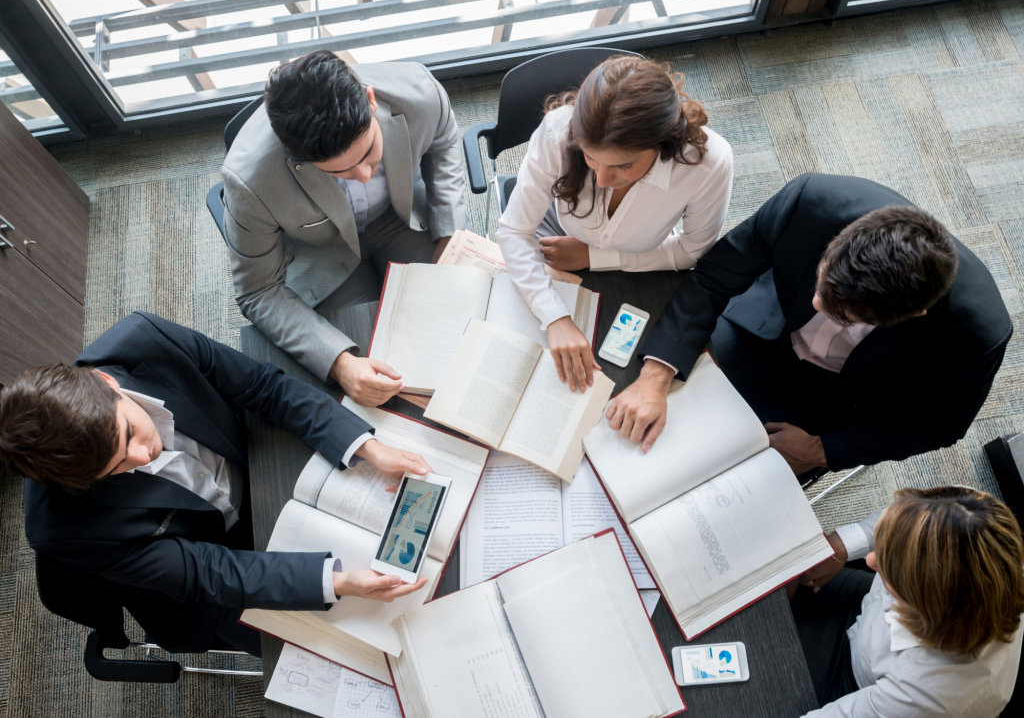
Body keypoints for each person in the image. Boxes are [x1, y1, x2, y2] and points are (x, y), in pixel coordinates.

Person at [0, 312, 434, 657]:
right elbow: (208, 571)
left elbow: (263, 388)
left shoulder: (143, 341)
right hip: (209, 577)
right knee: (353, 656)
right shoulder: (62, 530)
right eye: (114, 468)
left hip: (260, 474)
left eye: (130, 433)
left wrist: (363, 446)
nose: (141, 457)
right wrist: (335, 581)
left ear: (106, 382)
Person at [607, 173, 1012, 478]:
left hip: (842, 397)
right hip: (764, 329)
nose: (819, 302)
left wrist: (822, 451)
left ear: (912, 315)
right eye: (822, 282)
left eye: (841, 313)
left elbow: (937, 426)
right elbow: (715, 274)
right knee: (636, 411)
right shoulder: (809, 204)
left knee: (735, 491)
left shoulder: (977, 336)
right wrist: (656, 375)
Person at [222, 50, 468, 406]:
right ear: (297, 158)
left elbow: (444, 142)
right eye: (341, 172)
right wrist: (339, 364)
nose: (365, 175)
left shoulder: (419, 91)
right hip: (323, 255)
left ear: (370, 100)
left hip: (404, 220)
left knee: (456, 331)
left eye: (369, 155)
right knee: (375, 377)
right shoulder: (249, 179)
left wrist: (449, 236)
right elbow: (257, 292)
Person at [496, 56, 733, 393]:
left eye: (623, 166)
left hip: (647, 265)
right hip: (558, 235)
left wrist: (596, 257)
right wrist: (555, 318)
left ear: (662, 143)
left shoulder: (708, 163)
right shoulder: (558, 132)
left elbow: (691, 252)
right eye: (590, 157)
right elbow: (515, 231)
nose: (603, 179)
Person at [789, 486, 1024, 717]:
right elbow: (902, 519)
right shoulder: (968, 515)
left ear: (925, 608)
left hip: (857, 686)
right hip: (864, 625)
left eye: (893, 582)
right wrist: (842, 547)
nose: (870, 560)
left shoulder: (927, 696)